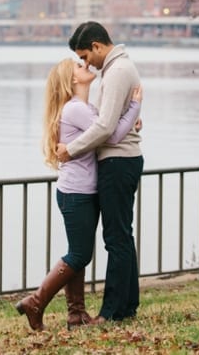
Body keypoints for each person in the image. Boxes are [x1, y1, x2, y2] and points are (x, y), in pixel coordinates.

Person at [15, 58, 142, 331]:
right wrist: (134, 107)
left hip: (81, 192)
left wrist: (131, 121)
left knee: (78, 253)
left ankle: (76, 315)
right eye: (78, 66)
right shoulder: (75, 110)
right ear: (72, 80)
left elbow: (108, 127)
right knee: (79, 256)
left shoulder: (85, 108)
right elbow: (112, 135)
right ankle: (36, 302)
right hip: (76, 194)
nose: (85, 65)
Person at [54, 21, 143, 324]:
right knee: (122, 235)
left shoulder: (117, 71)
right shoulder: (118, 69)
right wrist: (132, 117)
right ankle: (128, 305)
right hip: (122, 160)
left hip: (117, 162)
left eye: (85, 56)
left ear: (96, 46)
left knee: (115, 238)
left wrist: (70, 150)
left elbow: (105, 128)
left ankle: (112, 311)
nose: (84, 63)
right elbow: (110, 120)